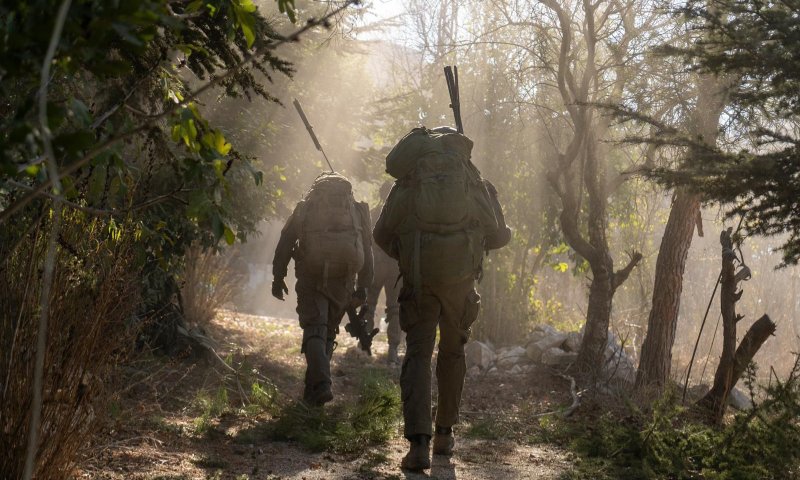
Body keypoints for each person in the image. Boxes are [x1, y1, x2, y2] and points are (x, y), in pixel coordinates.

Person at [373, 126, 511, 471]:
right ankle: (445, 435)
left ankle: (418, 446)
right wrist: (467, 244)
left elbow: (380, 234)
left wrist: (409, 254)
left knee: (417, 356)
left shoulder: (408, 183)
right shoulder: (475, 181)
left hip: (419, 284)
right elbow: (500, 236)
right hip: (461, 286)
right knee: (453, 353)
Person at [272, 172, 374, 406]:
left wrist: (278, 277)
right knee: (327, 332)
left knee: (314, 330)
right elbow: (367, 252)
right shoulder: (357, 211)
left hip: (313, 277)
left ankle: (321, 385)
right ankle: (313, 397)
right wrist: (364, 288)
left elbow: (285, 242)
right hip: (345, 279)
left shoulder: (306, 208)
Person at [364, 181, 404, 364]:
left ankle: (365, 345)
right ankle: (393, 349)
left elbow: (365, 241)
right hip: (396, 266)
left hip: (376, 264)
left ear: (381, 195)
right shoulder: (403, 215)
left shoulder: (373, 213)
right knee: (395, 308)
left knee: (370, 304)